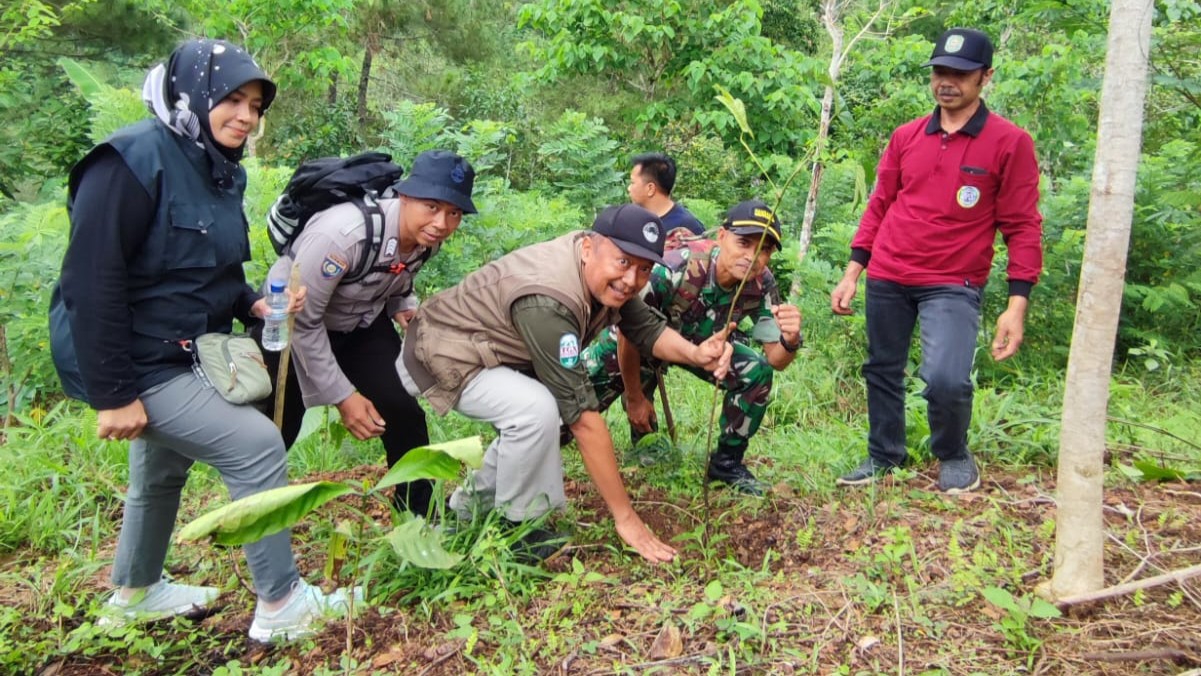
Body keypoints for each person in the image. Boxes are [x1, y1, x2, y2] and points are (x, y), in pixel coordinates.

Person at [52, 39, 354, 642]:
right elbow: (91, 282)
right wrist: (114, 394)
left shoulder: (215, 168)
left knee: (162, 471)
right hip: (134, 358)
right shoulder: (129, 161)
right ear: (189, 95)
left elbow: (209, 271)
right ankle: (282, 604)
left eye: (255, 105)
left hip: (181, 348)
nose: (245, 116)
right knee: (256, 446)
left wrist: (254, 302)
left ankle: (135, 594)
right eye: (231, 100)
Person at [395, 204, 734, 564]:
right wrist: (627, 519)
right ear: (590, 247)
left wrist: (696, 354)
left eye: (644, 269)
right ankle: (515, 531)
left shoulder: (598, 270)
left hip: (486, 350)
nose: (632, 279)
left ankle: (465, 509)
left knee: (537, 411)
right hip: (440, 355)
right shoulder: (549, 298)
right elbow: (584, 419)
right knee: (536, 409)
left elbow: (646, 328)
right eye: (623, 262)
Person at [830, 28, 1043, 494]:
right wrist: (853, 273)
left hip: (953, 281)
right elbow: (880, 203)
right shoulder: (907, 136)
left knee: (946, 378)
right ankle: (885, 454)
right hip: (888, 273)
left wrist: (1016, 304)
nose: (947, 81)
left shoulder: (1010, 142)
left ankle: (952, 451)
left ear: (985, 77)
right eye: (940, 72)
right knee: (882, 368)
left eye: (960, 74)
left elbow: (1023, 225)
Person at [260, 150, 476, 517]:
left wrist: (402, 305)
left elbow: (396, 276)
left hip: (360, 324)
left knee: (403, 412)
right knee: (276, 429)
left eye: (454, 212)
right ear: (404, 196)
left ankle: (419, 518)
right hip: (295, 324)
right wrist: (345, 398)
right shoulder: (343, 235)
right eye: (431, 207)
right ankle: (252, 517)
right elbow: (305, 322)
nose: (441, 222)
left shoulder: (428, 238)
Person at [582, 199, 803, 495]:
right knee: (576, 398)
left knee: (756, 372)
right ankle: (639, 440)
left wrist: (790, 339)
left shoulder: (761, 284)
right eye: (743, 243)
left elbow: (775, 359)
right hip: (639, 340)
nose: (752, 256)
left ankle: (726, 463)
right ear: (722, 237)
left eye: (763, 249)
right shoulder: (678, 267)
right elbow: (629, 333)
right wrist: (634, 397)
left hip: (701, 346)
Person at [627, 152, 705, 244]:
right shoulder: (631, 219)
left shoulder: (688, 227)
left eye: (632, 183)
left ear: (650, 188)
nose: (629, 188)